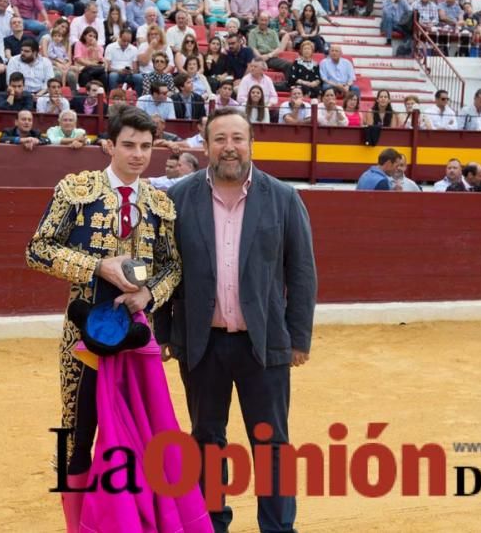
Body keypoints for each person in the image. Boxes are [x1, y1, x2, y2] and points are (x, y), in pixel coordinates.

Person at [156, 106, 316, 533]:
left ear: (250, 144)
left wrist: (298, 338)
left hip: (262, 344)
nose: (230, 147)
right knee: (206, 440)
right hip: (201, 342)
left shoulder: (283, 197)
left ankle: (278, 528)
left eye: (237, 138)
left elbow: (301, 273)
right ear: (206, 145)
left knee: (271, 444)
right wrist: (165, 332)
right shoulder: (179, 197)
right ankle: (212, 524)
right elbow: (163, 268)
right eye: (220, 139)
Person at [26, 106, 184, 532]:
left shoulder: (160, 204)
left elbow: (173, 268)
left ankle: (130, 521)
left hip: (137, 336)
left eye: (145, 147)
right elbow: (37, 250)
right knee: (75, 433)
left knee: (139, 430)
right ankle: (76, 525)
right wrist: (97, 267)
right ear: (109, 145)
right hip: (83, 337)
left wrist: (150, 293)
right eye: (128, 145)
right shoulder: (77, 190)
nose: (137, 155)